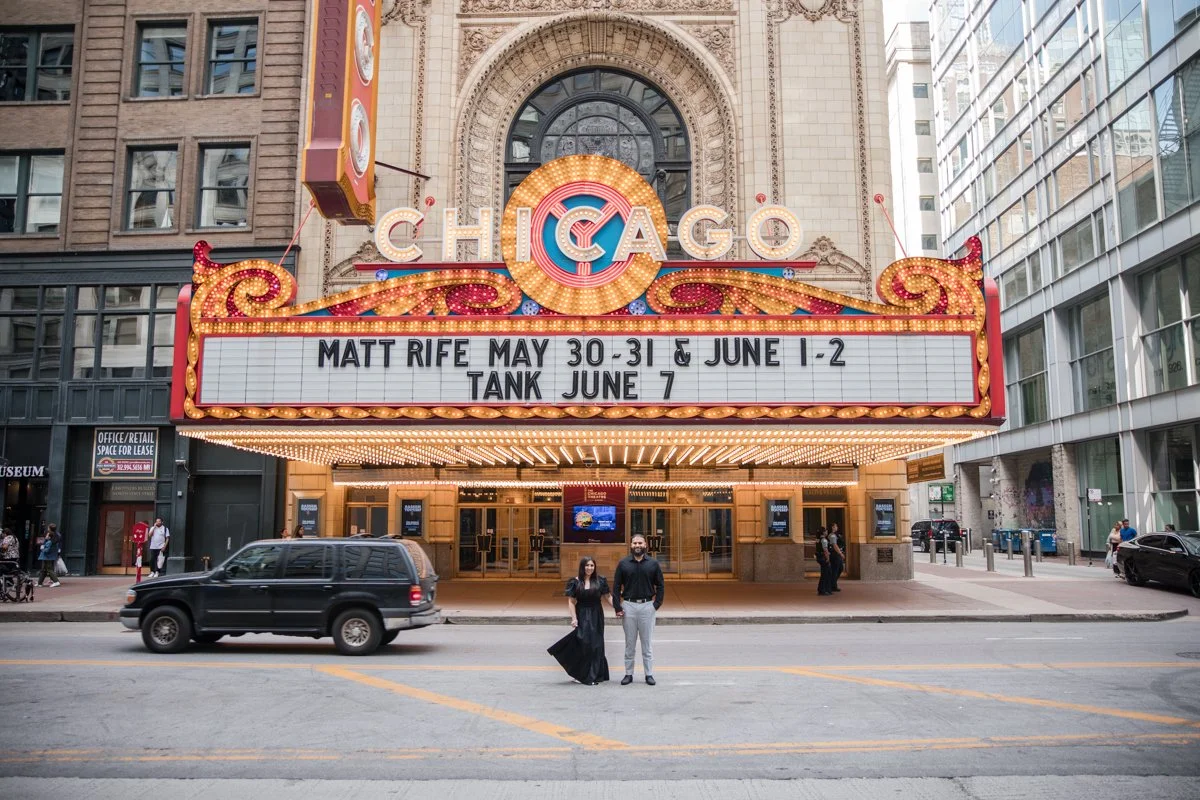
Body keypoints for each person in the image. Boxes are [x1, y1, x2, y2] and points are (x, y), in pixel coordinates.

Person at [547, 557, 612, 685]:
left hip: (596, 614)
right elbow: (571, 602)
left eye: (592, 565)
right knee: (584, 644)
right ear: (582, 567)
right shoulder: (575, 582)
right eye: (587, 565)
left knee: (596, 644)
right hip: (582, 613)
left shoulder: (600, 581)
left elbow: (608, 596)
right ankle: (583, 673)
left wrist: (618, 608)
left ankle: (595, 675)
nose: (589, 568)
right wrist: (574, 618)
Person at [612, 534, 664, 685]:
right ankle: (628, 674)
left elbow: (660, 585)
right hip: (628, 606)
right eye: (634, 543)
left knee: (647, 644)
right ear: (631, 545)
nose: (637, 545)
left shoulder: (653, 564)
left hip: (648, 606)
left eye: (640, 542)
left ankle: (649, 674)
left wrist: (656, 605)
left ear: (645, 545)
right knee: (629, 644)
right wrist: (617, 607)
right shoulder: (623, 564)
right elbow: (616, 586)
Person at [815, 526, 832, 596]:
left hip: (819, 557)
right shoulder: (824, 540)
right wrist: (828, 558)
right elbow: (825, 550)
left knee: (824, 573)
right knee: (825, 574)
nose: (827, 532)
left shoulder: (818, 539)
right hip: (823, 558)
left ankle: (823, 589)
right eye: (826, 531)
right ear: (824, 532)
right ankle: (822, 590)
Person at [828, 523, 844, 593]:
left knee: (840, 568)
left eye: (836, 526)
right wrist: (840, 554)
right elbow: (834, 545)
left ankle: (833, 584)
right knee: (835, 570)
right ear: (832, 527)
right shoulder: (832, 535)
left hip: (837, 554)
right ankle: (832, 585)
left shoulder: (836, 535)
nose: (837, 527)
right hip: (835, 555)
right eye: (835, 526)